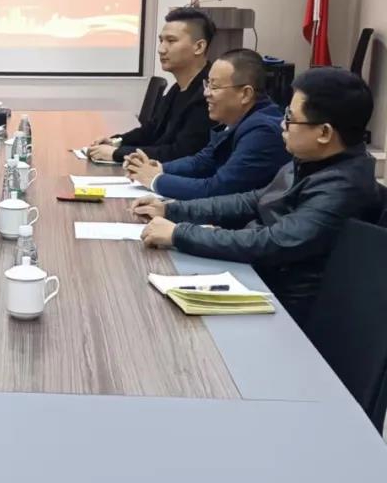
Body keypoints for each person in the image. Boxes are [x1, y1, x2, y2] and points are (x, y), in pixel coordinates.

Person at [135, 67, 382, 328]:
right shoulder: (312, 161)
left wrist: (179, 234)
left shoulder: (342, 187)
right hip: (258, 279)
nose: (282, 124)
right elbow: (251, 200)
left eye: (290, 118)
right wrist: (172, 210)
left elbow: (273, 242)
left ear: (324, 133)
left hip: (286, 312)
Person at [125, 49, 288, 200]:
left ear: (245, 94)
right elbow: (201, 162)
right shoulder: (237, 119)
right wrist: (158, 168)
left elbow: (218, 189)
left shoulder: (263, 131)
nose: (206, 93)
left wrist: (155, 179)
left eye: (214, 87)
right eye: (207, 84)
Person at [88, 7, 214, 163]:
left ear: (199, 47)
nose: (161, 49)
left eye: (171, 41)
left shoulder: (208, 94)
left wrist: (117, 153)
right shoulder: (178, 88)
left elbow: (180, 153)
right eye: (161, 41)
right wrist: (116, 142)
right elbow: (152, 130)